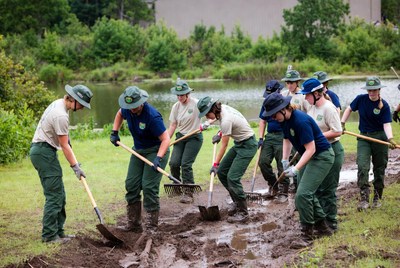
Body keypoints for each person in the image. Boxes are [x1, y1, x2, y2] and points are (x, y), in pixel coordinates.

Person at [263, 92, 335, 247]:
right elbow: (287, 138)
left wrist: (295, 169)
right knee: (305, 193)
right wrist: (284, 159)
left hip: (321, 157)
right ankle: (323, 228)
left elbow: (311, 149)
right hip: (309, 156)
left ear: (283, 109)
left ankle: (307, 235)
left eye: (274, 115)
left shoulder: (300, 121)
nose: (273, 119)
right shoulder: (285, 120)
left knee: (303, 194)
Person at [30, 84, 93, 243]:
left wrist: (68, 144)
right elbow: (64, 146)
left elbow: (63, 137)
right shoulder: (61, 115)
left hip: (45, 151)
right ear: (74, 100)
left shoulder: (60, 103)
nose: (82, 109)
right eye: (82, 105)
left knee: (60, 193)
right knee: (54, 195)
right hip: (43, 152)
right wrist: (75, 167)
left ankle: (59, 231)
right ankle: (50, 236)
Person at [110, 86, 170, 233]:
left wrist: (158, 158)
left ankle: (151, 227)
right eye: (129, 106)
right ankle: (134, 224)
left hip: (156, 150)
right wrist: (114, 131)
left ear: (141, 102)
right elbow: (119, 114)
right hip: (138, 151)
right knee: (131, 184)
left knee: (149, 186)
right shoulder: (126, 109)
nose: (131, 109)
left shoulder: (152, 116)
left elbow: (166, 139)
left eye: (134, 106)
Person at [197, 96, 257, 223]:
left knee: (233, 178)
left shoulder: (226, 121)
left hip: (248, 145)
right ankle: (236, 202)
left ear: (213, 109)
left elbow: (224, 146)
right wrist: (217, 132)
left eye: (207, 114)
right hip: (239, 143)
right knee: (223, 172)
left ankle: (243, 212)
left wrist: (215, 164)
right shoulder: (222, 109)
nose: (207, 117)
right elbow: (225, 125)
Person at [341, 77, 397, 211]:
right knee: (362, 166)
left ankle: (377, 197)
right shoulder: (361, 99)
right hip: (364, 137)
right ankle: (364, 199)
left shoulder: (384, 105)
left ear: (379, 90)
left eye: (374, 90)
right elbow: (348, 109)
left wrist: (390, 139)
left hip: (380, 138)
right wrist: (342, 123)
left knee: (379, 167)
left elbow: (386, 124)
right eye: (369, 90)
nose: (371, 92)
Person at [299, 78, 344, 231]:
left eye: (307, 95)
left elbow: (338, 131)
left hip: (333, 150)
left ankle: (331, 223)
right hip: (316, 151)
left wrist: (316, 136)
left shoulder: (328, 108)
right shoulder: (311, 107)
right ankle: (319, 221)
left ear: (317, 93)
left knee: (328, 190)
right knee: (315, 188)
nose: (305, 98)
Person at [168, 80, 204, 204]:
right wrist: (167, 140)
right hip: (180, 136)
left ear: (188, 93)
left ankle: (189, 192)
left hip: (194, 137)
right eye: (177, 95)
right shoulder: (176, 106)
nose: (179, 97)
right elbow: (173, 125)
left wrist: (207, 123)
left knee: (186, 164)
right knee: (173, 163)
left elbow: (212, 113)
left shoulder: (197, 103)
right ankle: (177, 185)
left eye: (182, 95)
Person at [258, 80, 287, 203]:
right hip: (269, 136)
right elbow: (263, 121)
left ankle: (283, 190)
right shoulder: (266, 103)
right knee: (263, 162)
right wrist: (260, 138)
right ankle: (273, 185)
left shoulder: (284, 103)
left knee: (282, 164)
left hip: (282, 136)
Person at [281, 69, 310, 194]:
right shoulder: (283, 95)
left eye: (292, 82)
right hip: (289, 132)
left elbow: (309, 114)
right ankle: (293, 184)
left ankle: (300, 185)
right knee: (289, 158)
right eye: (288, 82)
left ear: (297, 82)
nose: (290, 85)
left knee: (300, 159)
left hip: (302, 132)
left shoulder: (303, 96)